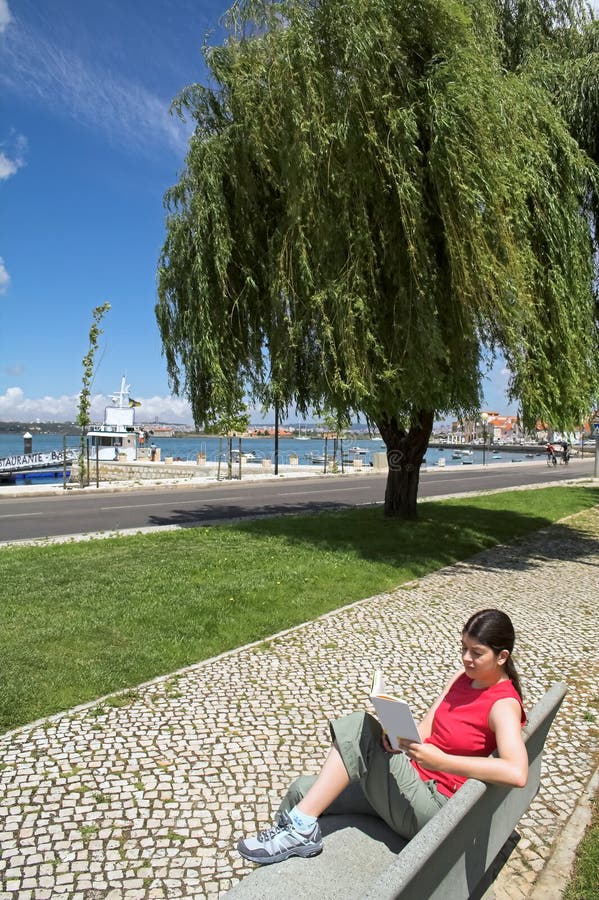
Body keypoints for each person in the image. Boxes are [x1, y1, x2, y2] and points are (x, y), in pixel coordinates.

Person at [237, 608, 527, 866]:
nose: (466, 658)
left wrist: (443, 762)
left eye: (476, 653)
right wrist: (399, 738)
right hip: (410, 782)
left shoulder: (503, 705)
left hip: (434, 808)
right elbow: (426, 730)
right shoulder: (463, 678)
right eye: (463, 647)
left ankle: (299, 830)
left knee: (360, 728)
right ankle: (281, 855)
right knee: (302, 790)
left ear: (502, 656)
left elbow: (516, 772)